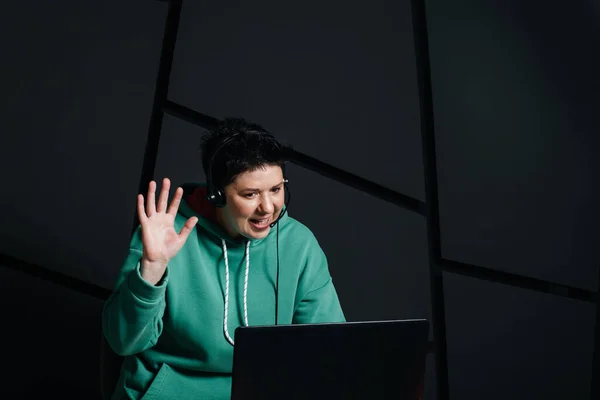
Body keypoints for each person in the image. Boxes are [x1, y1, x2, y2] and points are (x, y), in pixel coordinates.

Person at [102, 117, 345, 400]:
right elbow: (123, 341)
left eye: (276, 190)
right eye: (250, 194)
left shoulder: (298, 245)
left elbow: (330, 349)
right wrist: (152, 269)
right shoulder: (165, 235)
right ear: (216, 194)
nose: (268, 207)